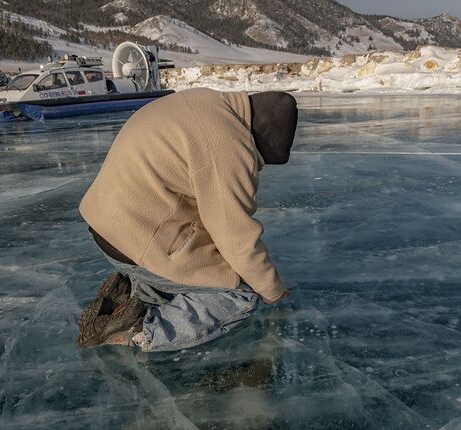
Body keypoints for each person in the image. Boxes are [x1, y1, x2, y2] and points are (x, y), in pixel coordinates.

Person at [77, 89, 298, 352]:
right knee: (240, 294)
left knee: (211, 265)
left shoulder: (209, 102)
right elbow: (235, 236)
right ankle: (139, 329)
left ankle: (132, 293)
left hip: (111, 227)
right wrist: (272, 290)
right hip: (136, 239)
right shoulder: (228, 144)